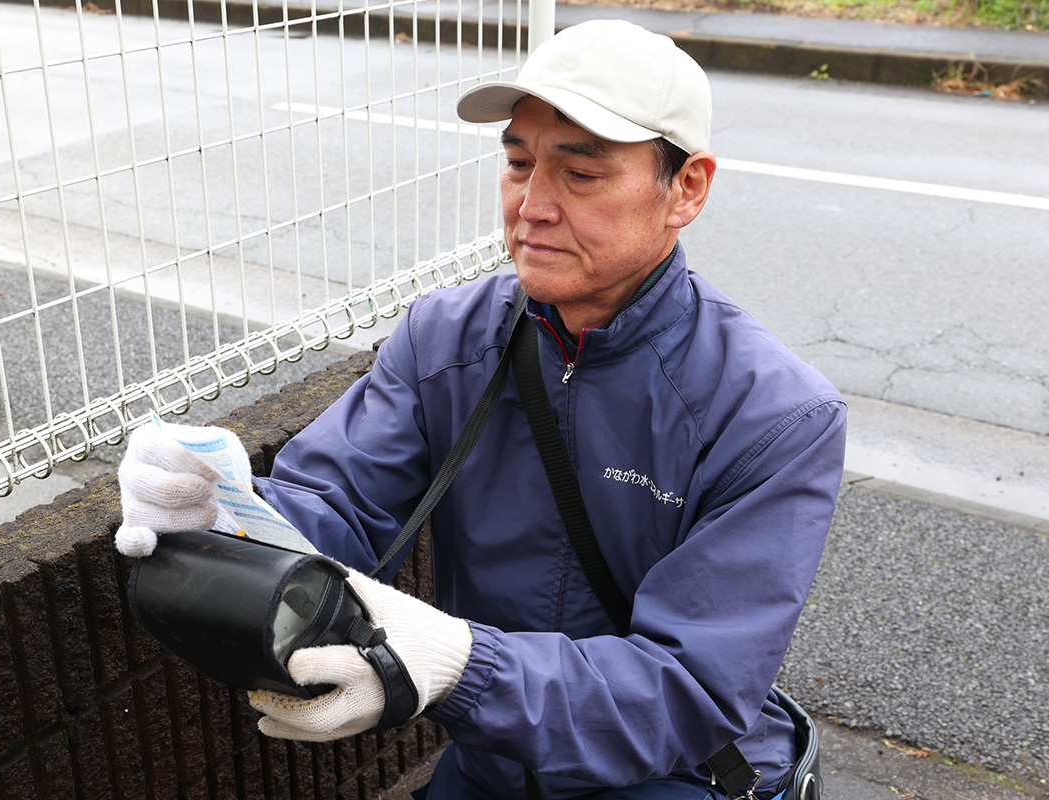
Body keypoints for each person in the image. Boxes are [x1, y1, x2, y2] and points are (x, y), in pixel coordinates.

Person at [116, 19, 847, 800]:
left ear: (686, 189)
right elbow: (337, 507)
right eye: (518, 163)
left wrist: (463, 666)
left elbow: (689, 688)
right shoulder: (447, 339)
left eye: (581, 174)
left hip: (670, 776)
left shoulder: (774, 415)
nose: (531, 206)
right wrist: (224, 510)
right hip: (490, 761)